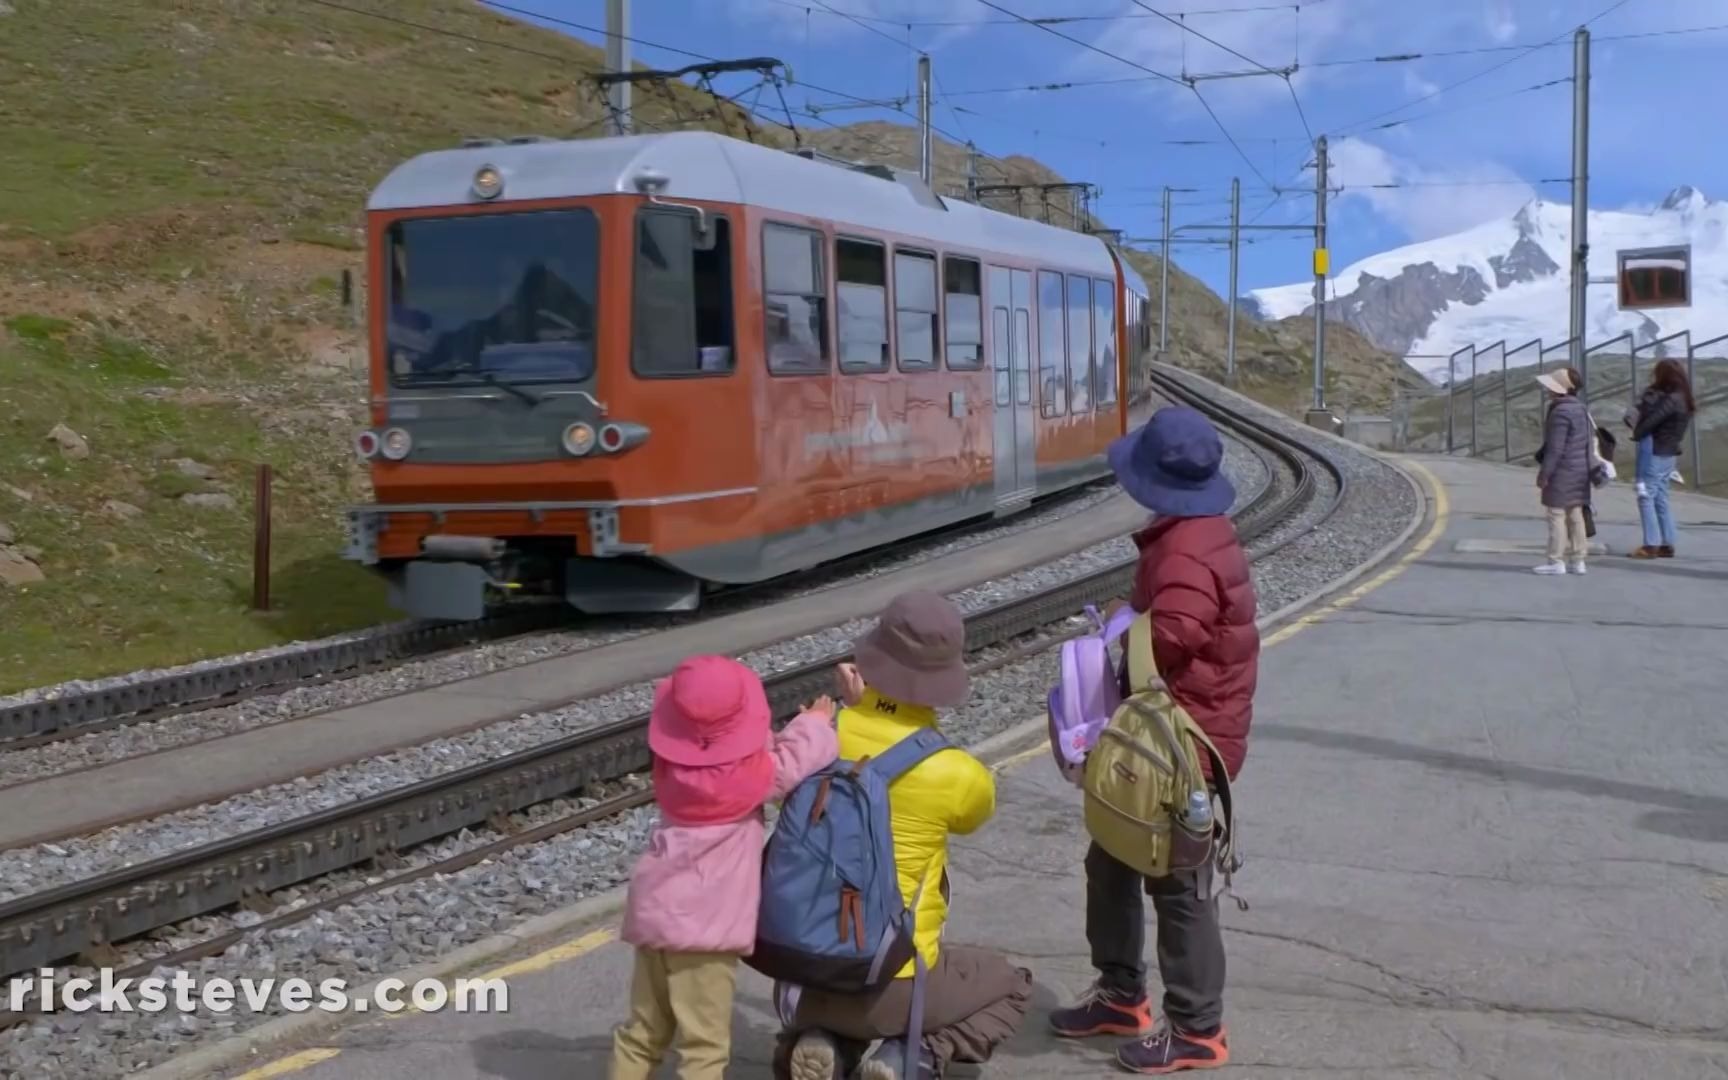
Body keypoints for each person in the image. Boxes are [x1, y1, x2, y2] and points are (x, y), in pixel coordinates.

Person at [1049, 405, 1259, 1075]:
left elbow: (1177, 632)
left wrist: (1117, 644)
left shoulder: (1188, 546)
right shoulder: (1194, 531)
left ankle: (1197, 1029)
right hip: (1168, 732)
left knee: (1178, 883)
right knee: (1111, 855)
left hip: (1183, 743)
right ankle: (1120, 995)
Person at [775, 590, 1032, 1080]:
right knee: (1010, 985)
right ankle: (911, 1056)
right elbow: (977, 813)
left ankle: (824, 1040)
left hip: (802, 975)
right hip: (893, 985)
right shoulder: (956, 772)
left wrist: (858, 709)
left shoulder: (818, 735)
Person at [611, 656, 839, 1080]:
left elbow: (724, 756)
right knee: (704, 1047)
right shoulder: (750, 780)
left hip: (656, 913)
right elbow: (795, 759)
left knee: (642, 1031)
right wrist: (815, 722)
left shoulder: (672, 772)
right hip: (705, 931)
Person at [1628, 358, 1695, 559]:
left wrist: (1636, 432)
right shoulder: (1684, 398)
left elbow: (1652, 421)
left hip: (1655, 451)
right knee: (1660, 497)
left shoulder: (1671, 400)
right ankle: (1667, 542)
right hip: (1669, 453)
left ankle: (1651, 545)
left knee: (1645, 495)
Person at [1532, 366, 1593, 576]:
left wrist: (1544, 474)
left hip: (1562, 471)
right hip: (1580, 470)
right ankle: (1578, 559)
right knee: (1575, 513)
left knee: (1556, 514)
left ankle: (1555, 560)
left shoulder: (1560, 411)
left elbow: (1555, 448)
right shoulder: (1580, 408)